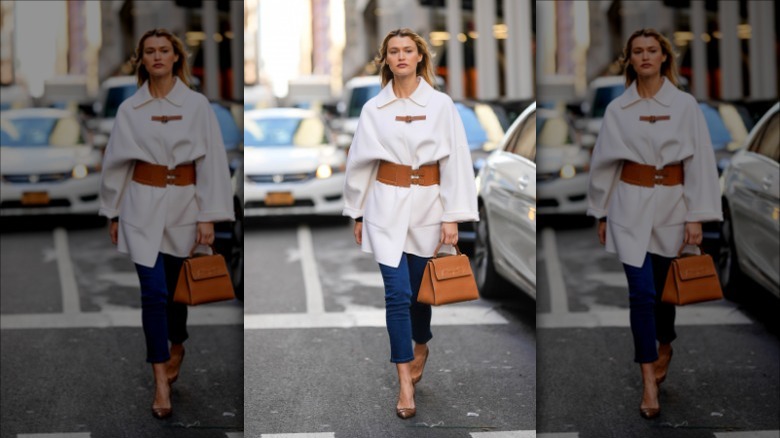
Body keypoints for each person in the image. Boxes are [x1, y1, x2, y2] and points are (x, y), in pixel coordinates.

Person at [342, 28, 478, 420]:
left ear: (420, 57)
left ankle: (421, 343)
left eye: (408, 50)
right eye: (393, 51)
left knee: (420, 293)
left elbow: (456, 162)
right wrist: (358, 212)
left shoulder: (441, 105)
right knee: (397, 294)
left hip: (429, 207)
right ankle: (404, 383)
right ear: (385, 59)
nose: (401, 56)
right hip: (385, 203)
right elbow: (360, 163)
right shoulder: (374, 109)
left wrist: (452, 215)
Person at [98, 28, 234, 419]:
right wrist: (114, 211)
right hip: (141, 204)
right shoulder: (130, 109)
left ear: (176, 57)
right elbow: (116, 164)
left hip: (185, 207)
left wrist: (208, 215)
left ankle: (178, 343)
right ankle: (160, 380)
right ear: (141, 60)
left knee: (175, 293)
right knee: (153, 294)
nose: (157, 57)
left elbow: (211, 164)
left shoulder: (196, 105)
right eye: (149, 52)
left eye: (164, 50)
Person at [586, 28, 722, 419]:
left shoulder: (684, 105)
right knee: (641, 295)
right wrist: (602, 211)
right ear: (629, 59)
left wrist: (696, 215)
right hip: (629, 204)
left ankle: (665, 343)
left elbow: (699, 164)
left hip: (674, 208)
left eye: (652, 50)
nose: (645, 57)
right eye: (638, 51)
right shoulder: (618, 109)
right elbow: (604, 164)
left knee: (663, 293)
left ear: (664, 57)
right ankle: (648, 381)